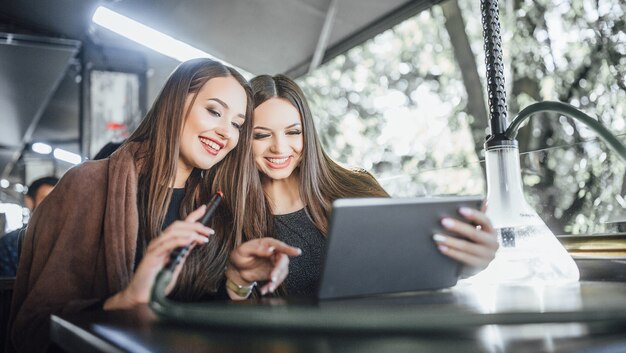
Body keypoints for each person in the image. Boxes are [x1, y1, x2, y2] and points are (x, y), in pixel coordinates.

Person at [8, 59, 300, 353]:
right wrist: (125, 301)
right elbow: (32, 330)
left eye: (237, 124)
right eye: (214, 111)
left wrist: (237, 281)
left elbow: (205, 323)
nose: (226, 132)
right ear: (174, 103)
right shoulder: (89, 184)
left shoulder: (218, 202)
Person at [243, 74, 498, 296]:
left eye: (293, 132)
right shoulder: (232, 212)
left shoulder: (354, 185)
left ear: (308, 133)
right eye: (262, 135)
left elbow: (408, 264)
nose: (279, 147)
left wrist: (466, 266)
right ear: (243, 138)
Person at [0, 176, 58, 277]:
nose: (53, 207)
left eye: (59, 201)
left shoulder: (73, 242)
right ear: (29, 201)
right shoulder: (9, 244)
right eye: (46, 199)